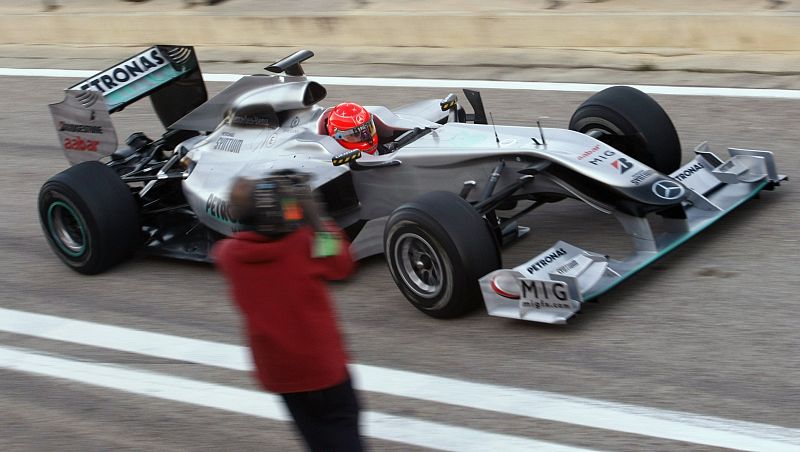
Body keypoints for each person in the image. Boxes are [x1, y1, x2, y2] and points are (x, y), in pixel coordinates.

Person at [213, 171, 363, 452]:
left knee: (317, 438)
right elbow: (342, 266)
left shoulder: (228, 256)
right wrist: (317, 217)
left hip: (281, 373)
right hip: (323, 367)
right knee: (344, 431)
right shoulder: (304, 244)